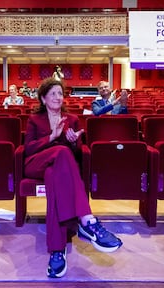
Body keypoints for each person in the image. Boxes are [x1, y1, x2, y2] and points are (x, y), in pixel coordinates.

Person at [24, 77, 122, 278]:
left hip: (57, 171)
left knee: (54, 177)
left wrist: (73, 142)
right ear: (43, 98)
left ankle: (57, 251)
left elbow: (77, 154)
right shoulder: (34, 120)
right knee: (59, 151)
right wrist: (52, 137)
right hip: (36, 163)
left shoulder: (72, 119)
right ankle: (87, 220)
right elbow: (28, 149)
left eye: (60, 93)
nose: (57, 97)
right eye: (53, 93)